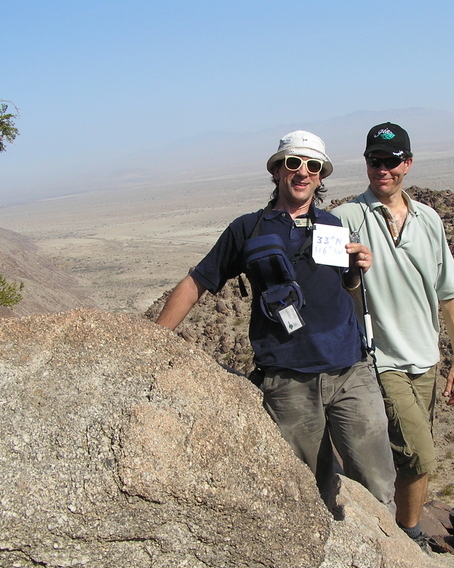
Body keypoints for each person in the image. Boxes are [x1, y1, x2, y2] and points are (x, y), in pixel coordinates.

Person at [155, 130, 396, 512]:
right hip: (288, 380)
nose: (302, 173)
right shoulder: (247, 229)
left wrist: (354, 273)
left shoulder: (333, 226)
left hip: (351, 370)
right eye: (293, 163)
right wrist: (153, 340)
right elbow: (197, 281)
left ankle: (395, 564)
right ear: (277, 171)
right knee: (310, 491)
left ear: (320, 177)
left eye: (312, 166)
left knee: (377, 481)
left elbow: (342, 290)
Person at [331, 122, 454, 549]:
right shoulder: (346, 218)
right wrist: (350, 272)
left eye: (391, 161)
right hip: (380, 360)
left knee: (406, 456)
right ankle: (410, 538)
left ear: (407, 164)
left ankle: (393, 527)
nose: (382, 169)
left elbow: (449, 292)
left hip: (425, 360)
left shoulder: (428, 219)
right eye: (375, 161)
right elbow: (325, 282)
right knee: (419, 455)